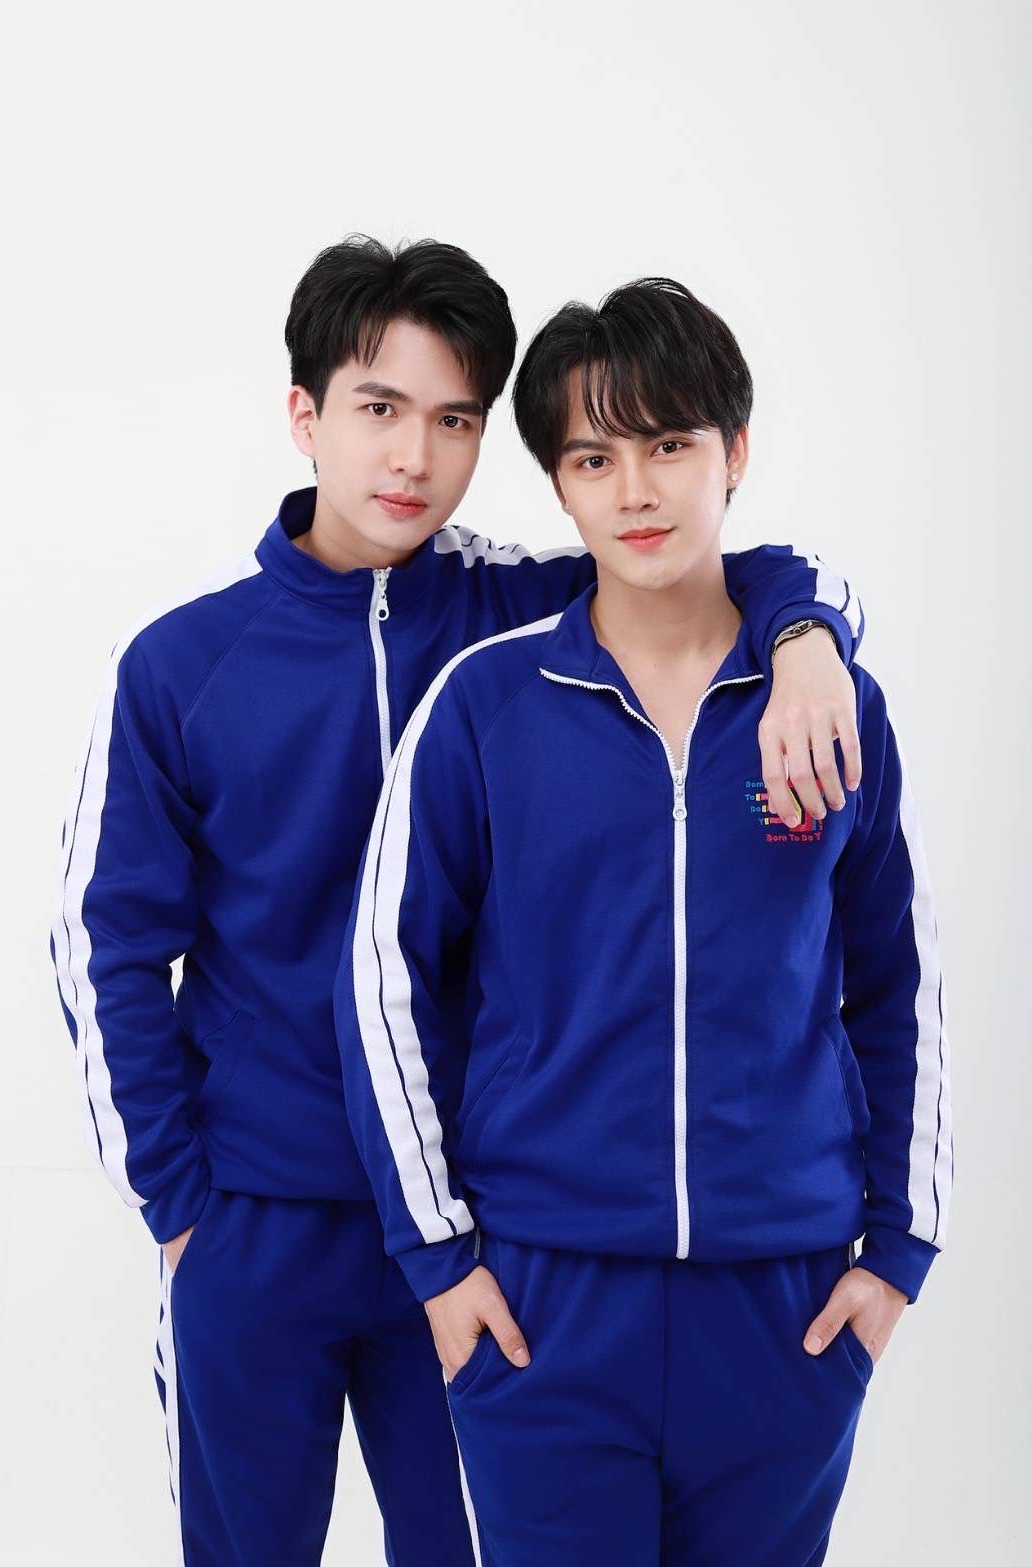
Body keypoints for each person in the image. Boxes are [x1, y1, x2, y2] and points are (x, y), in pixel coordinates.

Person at [51, 238, 868, 1567]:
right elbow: (106, 948)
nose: (413, 458)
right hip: (256, 1215)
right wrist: (181, 1206)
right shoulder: (179, 662)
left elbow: (728, 561)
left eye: (454, 421)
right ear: (306, 413)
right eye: (379, 409)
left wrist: (806, 639)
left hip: (477, 1223)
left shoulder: (517, 611)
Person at [334, 275, 952, 1565]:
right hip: (543, 1309)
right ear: (560, 489)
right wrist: (442, 1265)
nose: (636, 491)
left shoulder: (829, 708)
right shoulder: (486, 706)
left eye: (670, 444)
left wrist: (899, 1252)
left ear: (736, 452)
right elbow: (386, 986)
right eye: (593, 458)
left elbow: (900, 983)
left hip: (784, 1306)